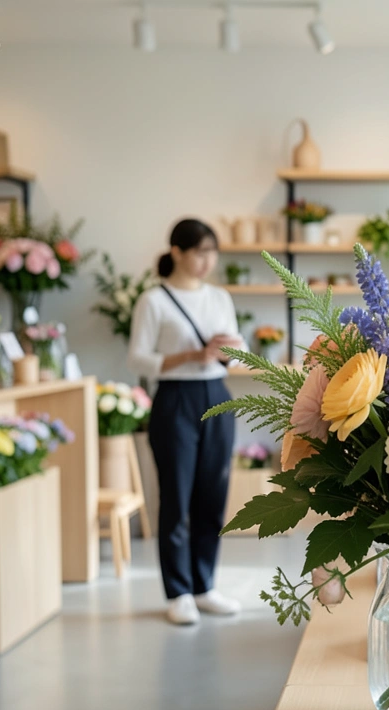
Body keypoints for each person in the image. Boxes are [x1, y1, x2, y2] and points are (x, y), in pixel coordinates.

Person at [128, 218, 245, 625]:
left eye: (211, 252)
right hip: (175, 398)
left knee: (213, 496)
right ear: (177, 252)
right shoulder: (154, 300)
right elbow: (138, 358)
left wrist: (228, 349)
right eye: (199, 252)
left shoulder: (218, 297)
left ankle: (204, 585)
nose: (206, 261)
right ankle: (177, 592)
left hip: (216, 394)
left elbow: (239, 347)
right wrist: (191, 356)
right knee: (176, 499)